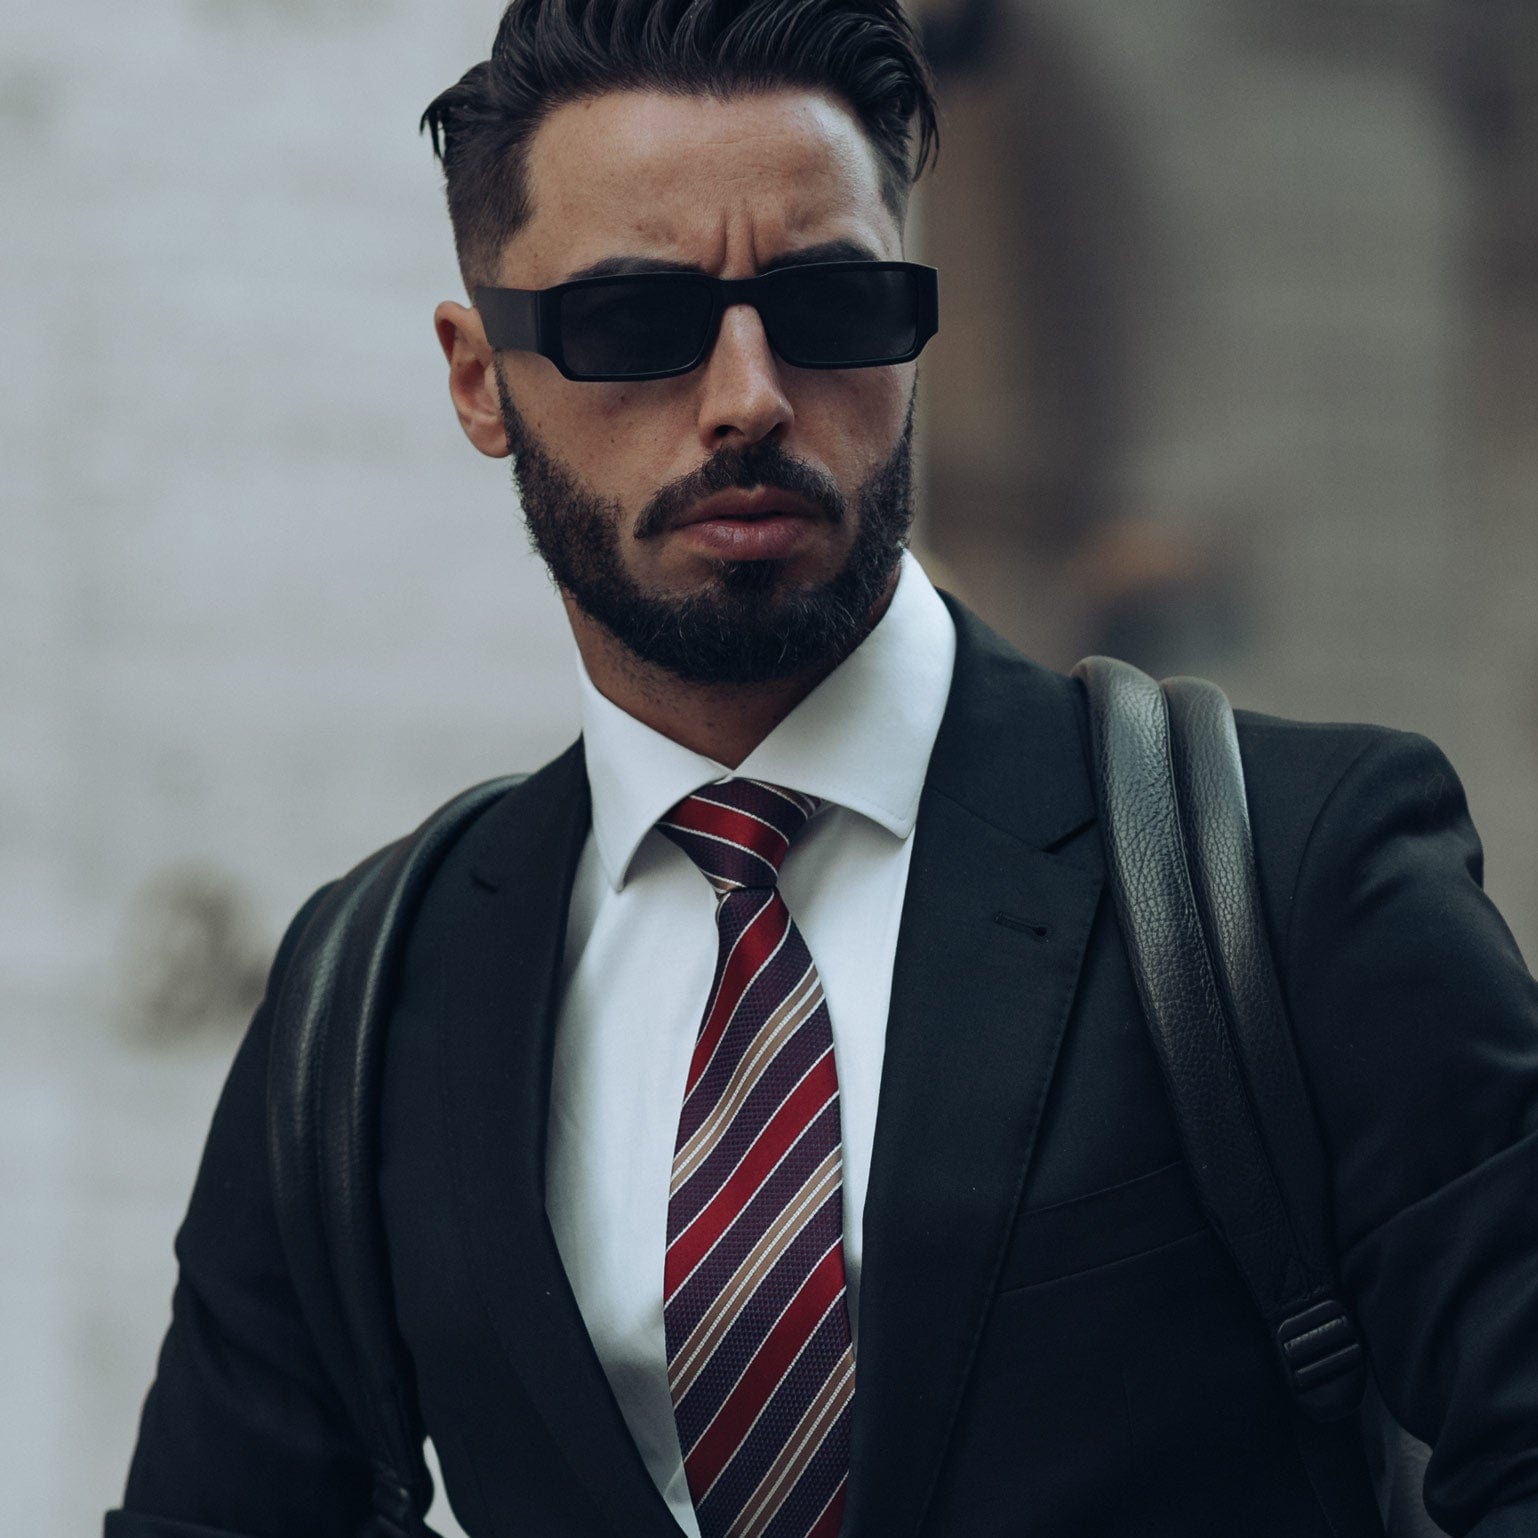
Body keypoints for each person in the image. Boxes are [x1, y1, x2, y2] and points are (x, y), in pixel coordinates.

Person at [107, 2, 1538, 1535]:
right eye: (636, 323)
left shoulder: (1285, 868)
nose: (747, 395)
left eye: (833, 302)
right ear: (477, 379)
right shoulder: (372, 990)